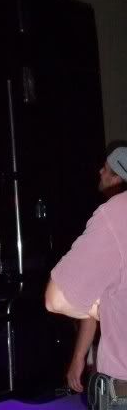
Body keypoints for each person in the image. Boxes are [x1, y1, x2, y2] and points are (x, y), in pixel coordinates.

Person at [45, 145, 127, 410]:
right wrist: (80, 355)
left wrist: (97, 310)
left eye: (108, 168)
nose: (100, 171)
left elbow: (60, 298)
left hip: (124, 403)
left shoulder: (115, 217)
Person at [65, 142, 127, 392]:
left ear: (117, 178)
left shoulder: (110, 222)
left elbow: (87, 300)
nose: (100, 172)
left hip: (120, 375)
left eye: (106, 169)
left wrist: (78, 358)